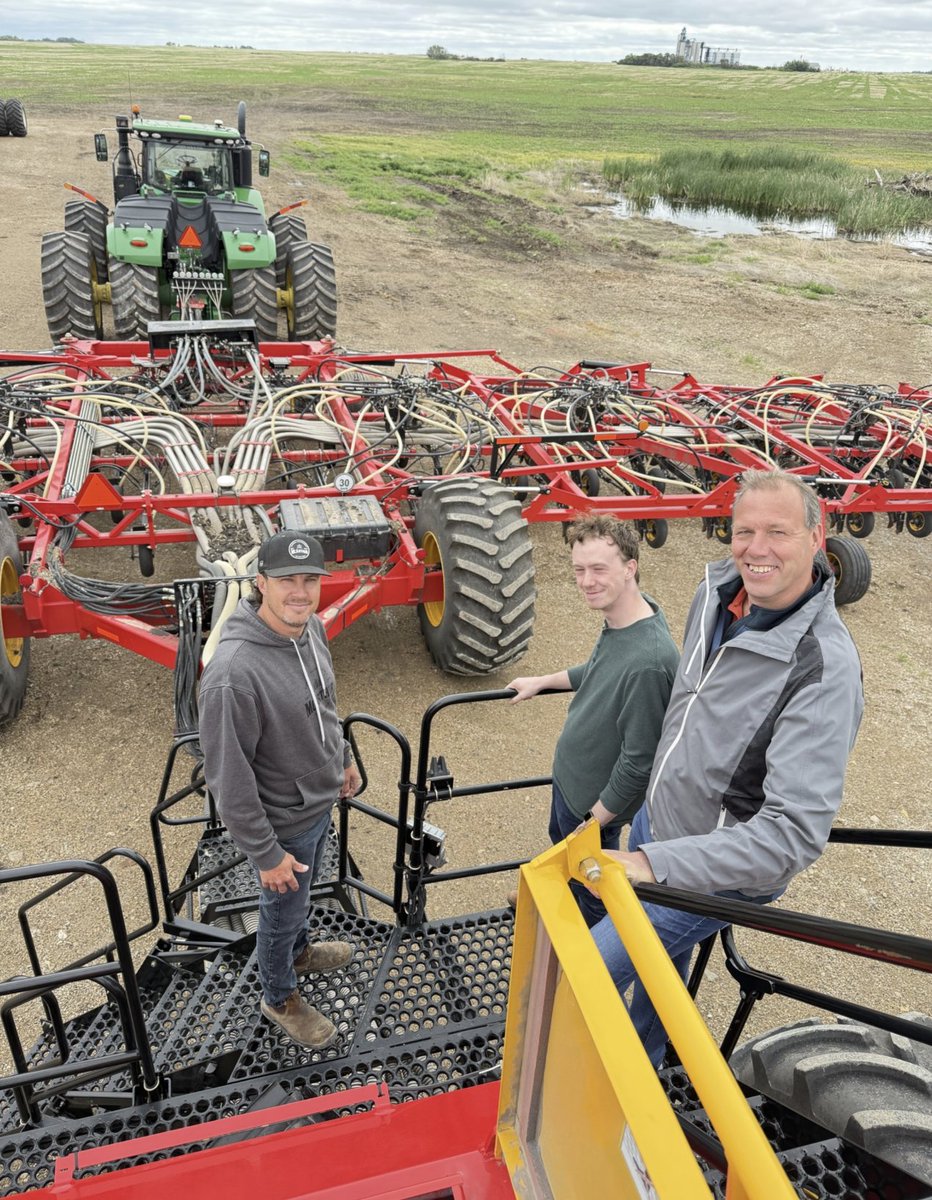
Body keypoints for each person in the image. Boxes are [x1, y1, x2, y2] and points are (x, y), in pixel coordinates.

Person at [589, 468, 864, 1067]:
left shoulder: (822, 666)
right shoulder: (714, 592)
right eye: (744, 531)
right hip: (659, 825)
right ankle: (648, 1059)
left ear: (818, 539)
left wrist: (653, 862)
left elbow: (791, 835)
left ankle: (582, 1075)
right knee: (661, 972)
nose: (756, 549)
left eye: (778, 532)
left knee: (581, 969)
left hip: (709, 869)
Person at [198, 531, 361, 1050]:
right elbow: (229, 778)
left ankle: (300, 950)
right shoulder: (232, 674)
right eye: (286, 581)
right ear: (260, 583)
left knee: (302, 900)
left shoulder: (308, 627)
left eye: (310, 580)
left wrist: (344, 759)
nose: (300, 591)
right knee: (281, 909)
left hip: (318, 800)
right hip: (281, 824)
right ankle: (279, 994)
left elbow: (327, 700)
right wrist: (267, 856)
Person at [507, 514, 680, 925]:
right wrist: (543, 681)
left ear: (630, 568)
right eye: (579, 570)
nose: (586, 581)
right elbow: (600, 669)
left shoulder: (650, 662)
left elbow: (639, 762)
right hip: (572, 784)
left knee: (597, 889)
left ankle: (584, 951)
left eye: (599, 569)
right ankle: (556, 897)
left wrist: (591, 823)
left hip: (592, 808)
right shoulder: (627, 619)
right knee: (562, 854)